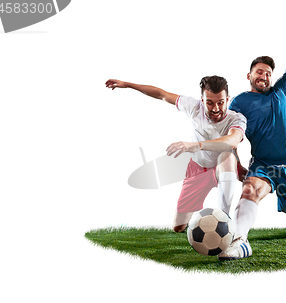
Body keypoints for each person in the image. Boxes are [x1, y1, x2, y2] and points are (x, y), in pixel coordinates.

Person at [218, 21, 286, 260]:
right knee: (249, 189)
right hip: (263, 166)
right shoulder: (239, 103)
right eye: (260, 72)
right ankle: (240, 241)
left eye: (269, 73)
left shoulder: (282, 90)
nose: (265, 76)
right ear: (249, 75)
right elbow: (232, 136)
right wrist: (237, 162)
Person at [105, 76, 247, 232]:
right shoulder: (194, 107)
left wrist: (197, 145)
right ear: (202, 100)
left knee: (226, 156)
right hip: (198, 169)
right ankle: (201, 225)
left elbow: (232, 140)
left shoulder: (236, 118)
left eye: (220, 102)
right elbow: (161, 94)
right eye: (210, 103)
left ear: (227, 99)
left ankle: (224, 221)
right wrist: (127, 84)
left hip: (224, 167)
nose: (215, 109)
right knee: (178, 227)